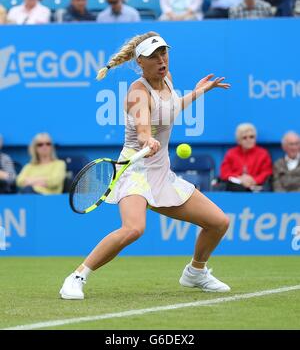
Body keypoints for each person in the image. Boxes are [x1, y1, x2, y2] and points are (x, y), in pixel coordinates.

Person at [59, 31, 231, 300]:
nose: (162, 60)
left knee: (219, 222)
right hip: (135, 171)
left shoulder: (168, 80)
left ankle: (196, 272)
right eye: (154, 56)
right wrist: (146, 139)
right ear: (140, 62)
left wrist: (199, 92)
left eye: (164, 53)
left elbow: (170, 109)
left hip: (161, 171)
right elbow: (142, 127)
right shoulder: (137, 93)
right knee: (134, 229)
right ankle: (77, 276)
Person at [219, 123, 273, 192]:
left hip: (257, 187)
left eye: (251, 137)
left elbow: (267, 172)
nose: (248, 140)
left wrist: (254, 180)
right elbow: (224, 173)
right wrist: (240, 178)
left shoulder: (263, 153)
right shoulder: (231, 153)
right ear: (239, 140)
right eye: (244, 138)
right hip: (237, 187)